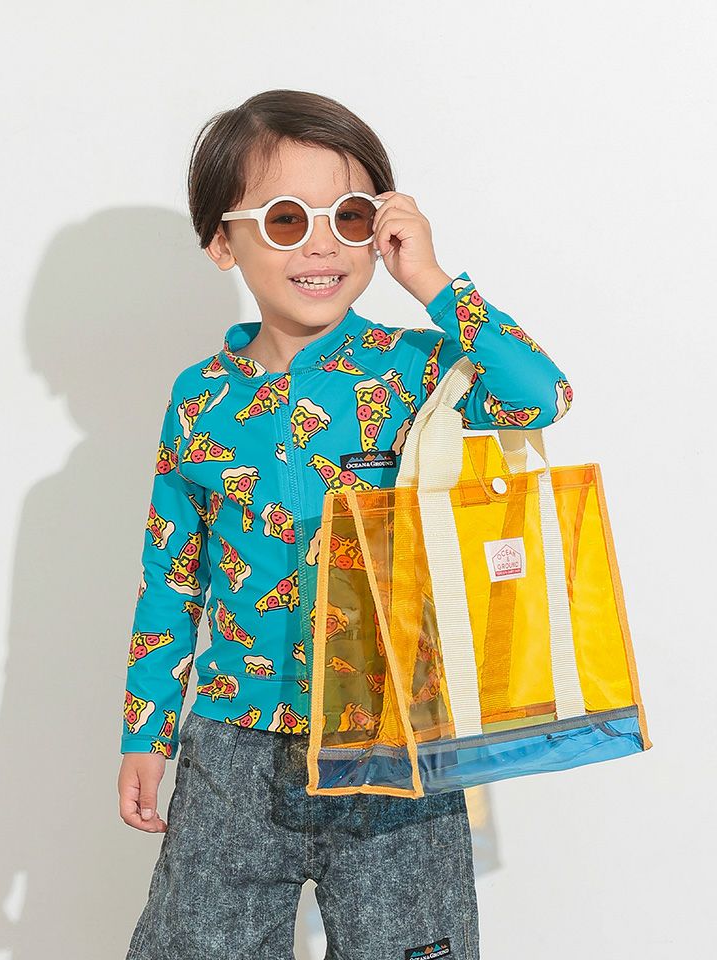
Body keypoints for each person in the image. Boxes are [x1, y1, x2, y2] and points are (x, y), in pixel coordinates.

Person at [117, 88, 574, 960]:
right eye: (286, 219)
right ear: (221, 241)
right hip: (234, 749)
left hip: (395, 736)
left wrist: (432, 283)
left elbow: (540, 394)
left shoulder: (418, 370)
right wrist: (146, 734)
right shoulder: (199, 399)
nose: (322, 243)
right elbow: (171, 579)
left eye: (350, 216)